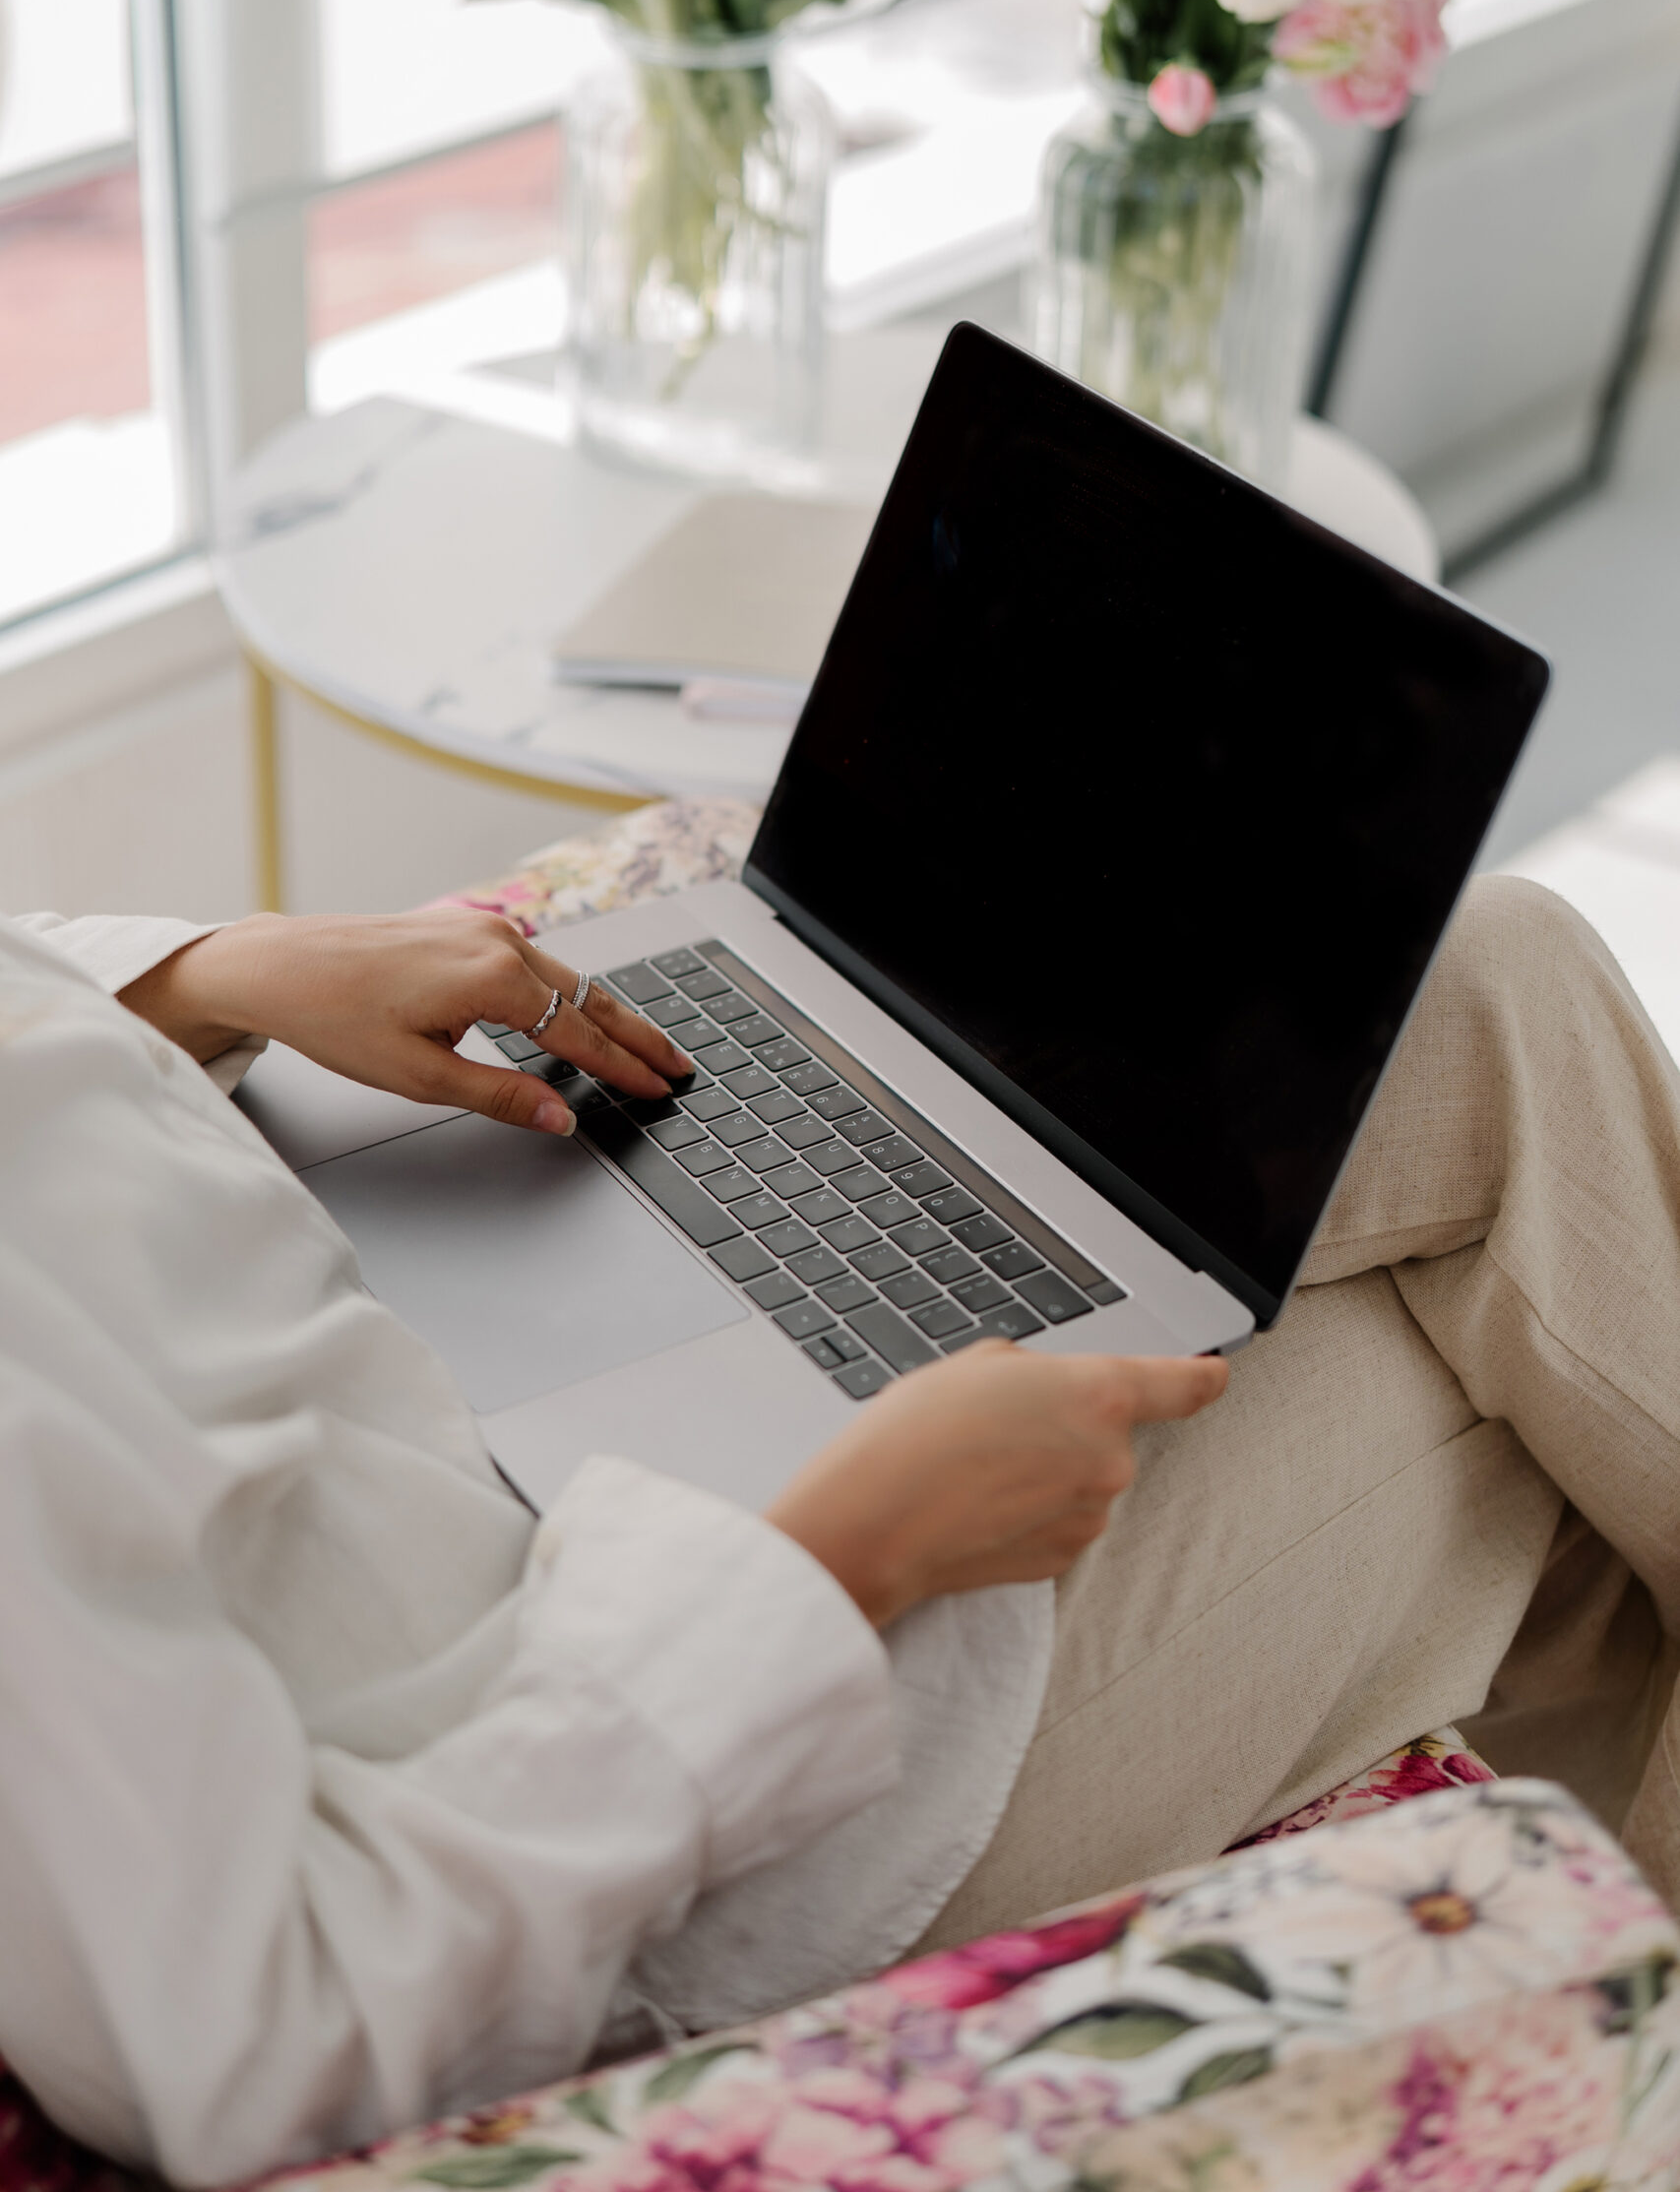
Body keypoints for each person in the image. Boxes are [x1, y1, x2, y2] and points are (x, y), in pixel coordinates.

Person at [3, 876, 1679, 2187]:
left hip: (418, 1319)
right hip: (695, 1832)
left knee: (1482, 973)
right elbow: (256, 2044)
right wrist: (842, 1555)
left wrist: (194, 974)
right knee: (1528, 1392)